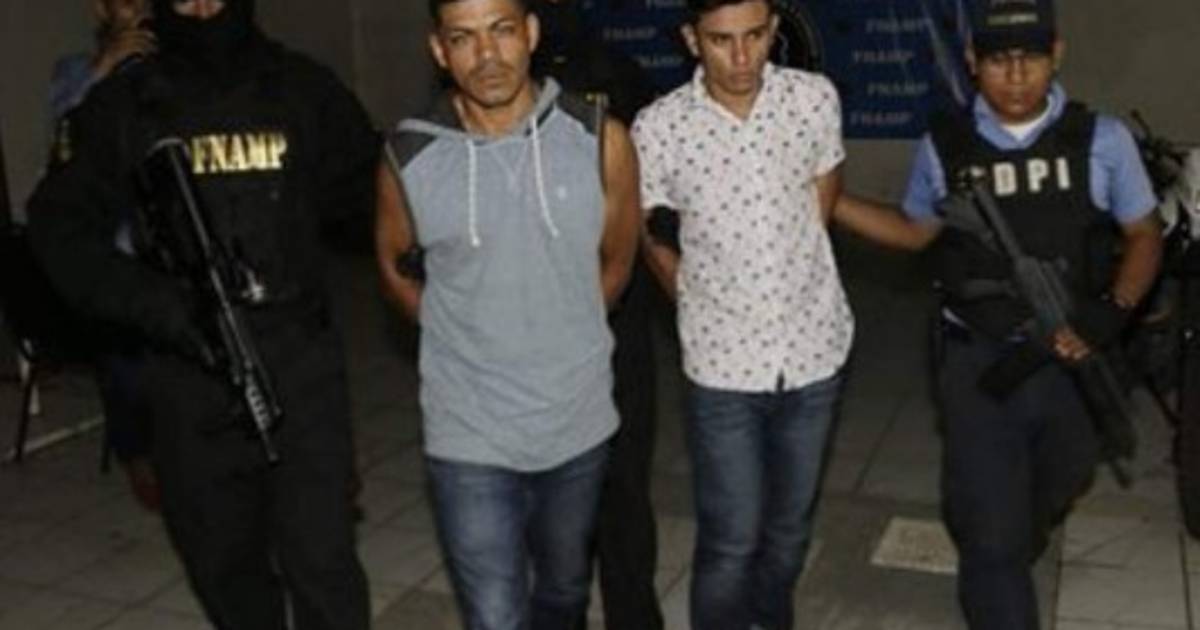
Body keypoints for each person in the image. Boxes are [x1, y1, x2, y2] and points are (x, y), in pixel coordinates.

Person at [27, 0, 379, 628]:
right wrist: (157, 304)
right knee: (223, 568)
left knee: (324, 566)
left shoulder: (303, 88)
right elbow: (57, 228)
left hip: (299, 368)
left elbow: (374, 199)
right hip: (186, 370)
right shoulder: (125, 104)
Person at [833, 0, 1162, 627]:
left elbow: (1144, 234)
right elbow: (914, 231)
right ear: (971, 61)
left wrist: (1112, 311)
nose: (1015, 75)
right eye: (998, 60)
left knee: (1063, 478)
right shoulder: (946, 144)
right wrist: (830, 201)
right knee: (991, 537)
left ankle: (1010, 527)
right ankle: (996, 547)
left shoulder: (1102, 139)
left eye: (1030, 58)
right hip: (978, 362)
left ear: (1056, 55)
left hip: (1072, 356)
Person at [375, 0, 641, 627]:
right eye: (463, 38)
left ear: (531, 33)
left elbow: (618, 260)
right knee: (495, 614)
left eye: (502, 31)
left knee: (564, 593)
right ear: (439, 50)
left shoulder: (600, 138)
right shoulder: (408, 154)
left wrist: (561, 327)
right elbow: (393, 265)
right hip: (468, 428)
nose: (487, 55)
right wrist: (464, 335)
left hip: (575, 420)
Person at [632, 1, 851, 628]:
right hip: (722, 368)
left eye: (754, 36)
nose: (740, 56)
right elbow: (651, 235)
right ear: (690, 39)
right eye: (720, 40)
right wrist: (698, 299)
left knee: (788, 531)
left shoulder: (813, 99)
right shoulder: (660, 126)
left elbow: (821, 199)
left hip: (814, 350)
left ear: (773, 31)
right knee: (732, 538)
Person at [530, 1, 663, 628]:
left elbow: (648, 182)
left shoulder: (619, 74)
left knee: (622, 483)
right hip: (532, 316)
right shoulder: (498, 82)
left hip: (616, 307)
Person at [48, 0, 160, 511]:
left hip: (169, 238)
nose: (137, 7)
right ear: (101, 9)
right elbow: (64, 130)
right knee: (123, 356)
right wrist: (106, 65)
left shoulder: (170, 60)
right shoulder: (75, 70)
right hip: (113, 245)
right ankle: (138, 454)